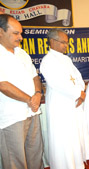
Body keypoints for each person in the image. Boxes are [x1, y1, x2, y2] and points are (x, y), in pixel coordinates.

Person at [40, 28, 89, 169]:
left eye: (67, 42)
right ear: (52, 41)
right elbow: (57, 83)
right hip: (60, 104)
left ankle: (77, 164)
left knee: (74, 136)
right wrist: (78, 94)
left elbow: (78, 77)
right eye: (63, 42)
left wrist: (81, 91)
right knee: (63, 138)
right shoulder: (48, 60)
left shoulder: (67, 59)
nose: (66, 45)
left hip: (74, 102)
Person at [0, 14, 43, 169]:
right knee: (15, 160)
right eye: (16, 33)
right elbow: (3, 85)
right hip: (12, 117)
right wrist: (29, 100)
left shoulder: (21, 53)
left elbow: (34, 76)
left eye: (21, 33)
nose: (21, 37)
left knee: (35, 154)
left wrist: (37, 94)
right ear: (0, 32)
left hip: (32, 111)